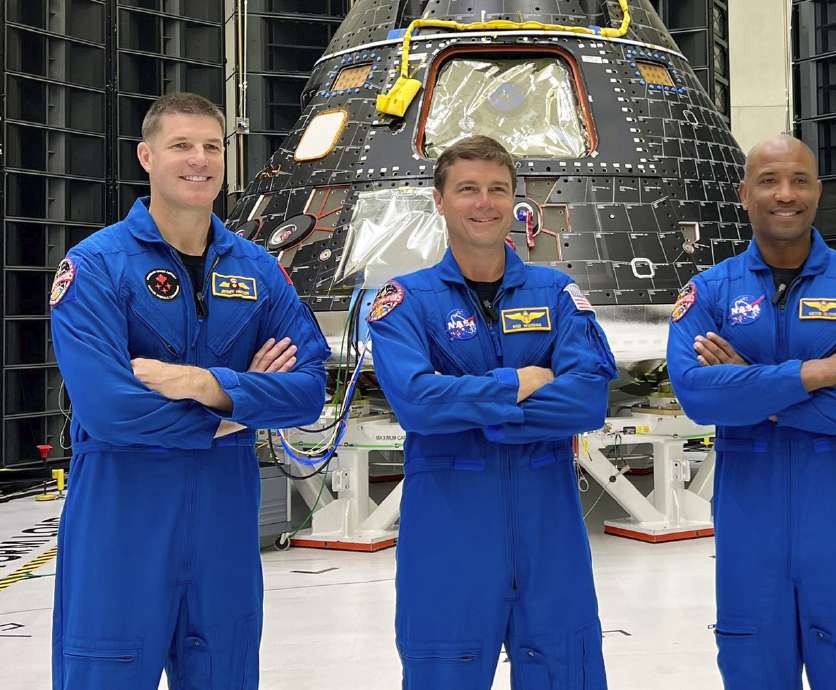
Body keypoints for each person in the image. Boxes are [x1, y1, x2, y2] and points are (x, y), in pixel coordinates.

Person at [48, 92, 330, 689]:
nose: (198, 160)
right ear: (146, 157)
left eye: (211, 147)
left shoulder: (256, 270)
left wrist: (207, 384)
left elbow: (307, 390)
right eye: (181, 146)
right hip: (122, 519)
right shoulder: (96, 267)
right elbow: (110, 409)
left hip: (224, 527)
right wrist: (238, 409)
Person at [666, 134, 836, 690]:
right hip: (748, 524)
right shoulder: (709, 292)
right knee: (752, 667)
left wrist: (756, 395)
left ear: (818, 190)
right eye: (768, 181)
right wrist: (809, 374)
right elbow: (697, 395)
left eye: (798, 180)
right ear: (744, 194)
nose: (784, 194)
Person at [366, 135, 617, 690]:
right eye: (468, 189)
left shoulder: (556, 293)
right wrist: (519, 382)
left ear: (515, 201)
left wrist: (473, 403)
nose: (485, 203)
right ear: (439, 200)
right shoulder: (405, 302)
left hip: (549, 529)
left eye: (498, 190)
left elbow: (588, 399)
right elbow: (417, 404)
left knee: (566, 672)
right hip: (449, 531)